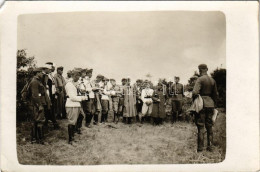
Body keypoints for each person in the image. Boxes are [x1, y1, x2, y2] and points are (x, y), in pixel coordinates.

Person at [192, 64, 218, 152]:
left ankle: (200, 148)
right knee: (209, 126)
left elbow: (195, 92)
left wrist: (194, 101)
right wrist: (214, 105)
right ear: (207, 69)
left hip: (201, 104)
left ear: (199, 70)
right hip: (210, 104)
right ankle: (210, 147)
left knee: (200, 127)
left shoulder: (200, 79)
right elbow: (215, 95)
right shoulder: (212, 80)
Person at [65, 69, 88, 144]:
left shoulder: (75, 84)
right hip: (71, 105)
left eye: (78, 76)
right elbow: (72, 97)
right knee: (72, 122)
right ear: (72, 76)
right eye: (76, 76)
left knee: (77, 119)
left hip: (76, 105)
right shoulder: (69, 84)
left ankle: (73, 136)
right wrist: (83, 98)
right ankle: (70, 140)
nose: (78, 77)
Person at [28, 68, 47, 144]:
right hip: (36, 104)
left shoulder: (37, 80)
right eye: (41, 73)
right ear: (37, 73)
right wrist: (39, 105)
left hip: (36, 103)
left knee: (35, 121)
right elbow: (35, 95)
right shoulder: (35, 81)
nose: (42, 74)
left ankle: (34, 139)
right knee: (40, 121)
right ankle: (40, 140)